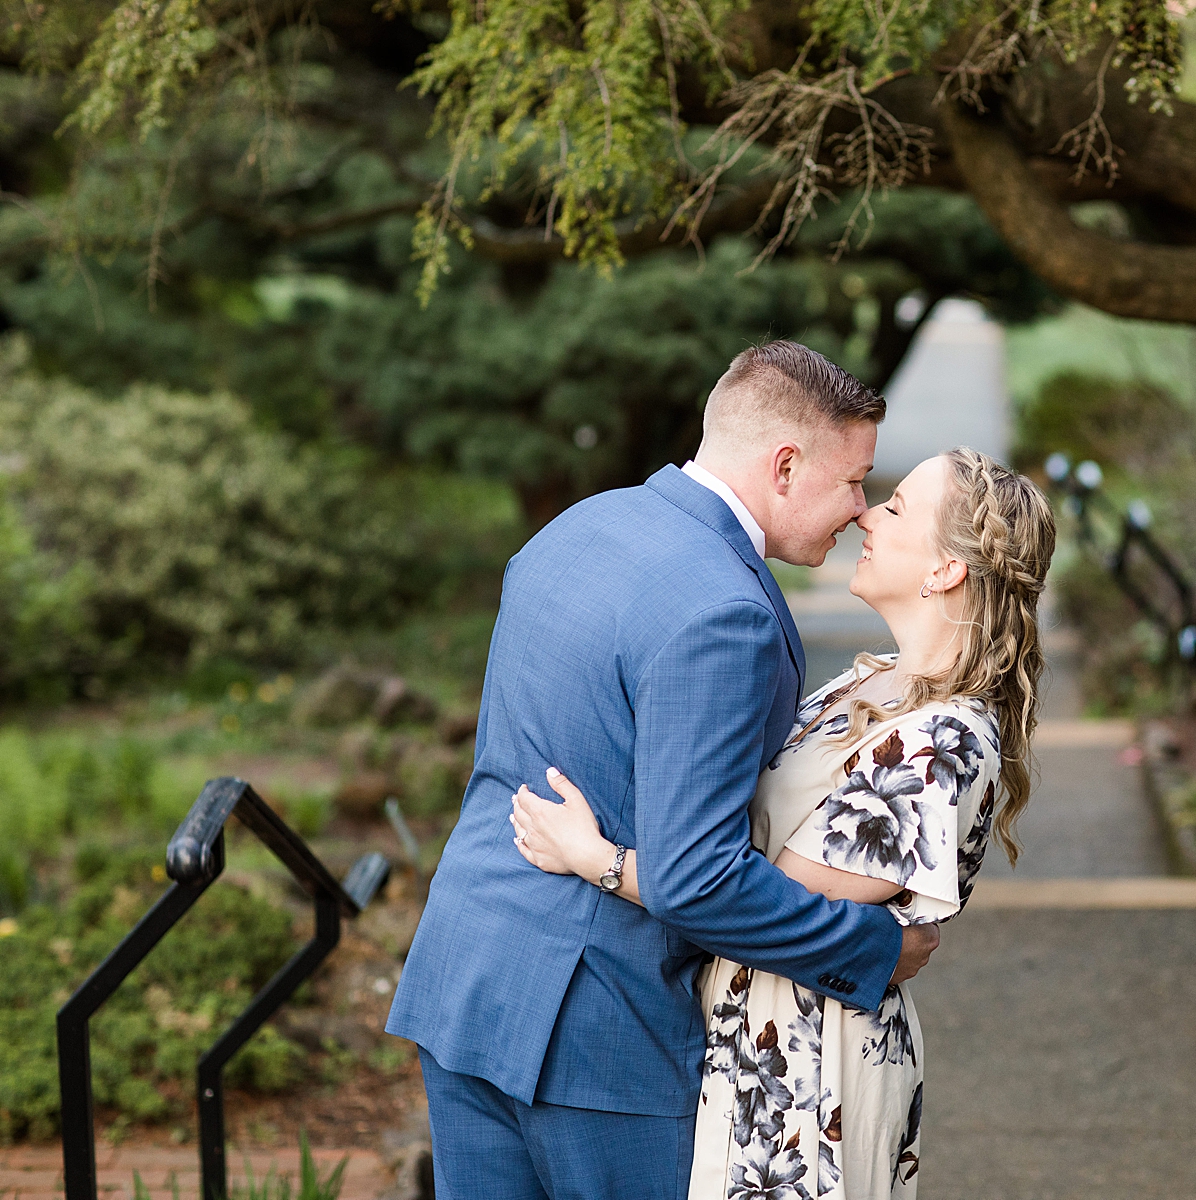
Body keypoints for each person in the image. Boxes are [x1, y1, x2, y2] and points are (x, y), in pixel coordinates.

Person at [387, 341, 944, 1200]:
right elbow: (696, 880)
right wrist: (875, 948)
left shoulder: (572, 531)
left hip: (465, 984)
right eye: (852, 483)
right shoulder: (724, 610)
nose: (859, 510)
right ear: (786, 465)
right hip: (604, 1038)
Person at [509, 445, 1057, 1199]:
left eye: (895, 508)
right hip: (753, 1034)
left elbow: (752, 894)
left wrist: (596, 858)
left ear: (946, 570)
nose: (868, 512)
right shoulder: (872, 682)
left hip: (813, 1064)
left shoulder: (947, 740)